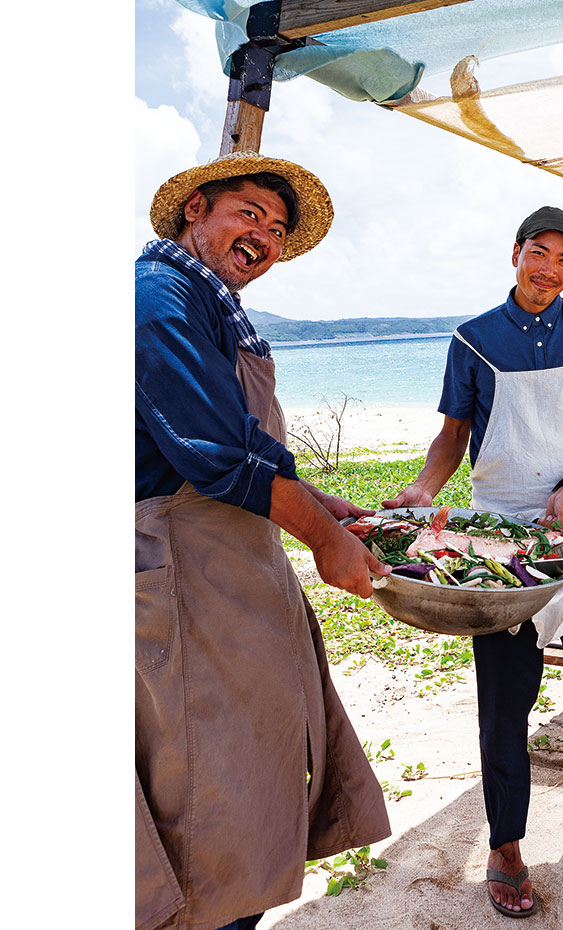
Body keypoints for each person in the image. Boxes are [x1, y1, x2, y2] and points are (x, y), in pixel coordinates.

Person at [383, 206, 563, 918]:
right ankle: (506, 845)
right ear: (516, 254)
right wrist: (424, 487)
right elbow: (453, 436)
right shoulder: (473, 339)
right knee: (506, 699)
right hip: (502, 537)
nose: (549, 270)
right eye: (539, 254)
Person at [135, 152, 392, 930]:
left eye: (277, 229)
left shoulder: (212, 305)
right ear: (195, 211)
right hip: (184, 576)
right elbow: (218, 457)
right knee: (208, 798)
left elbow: (251, 448)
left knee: (250, 778)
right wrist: (323, 539)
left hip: (231, 577)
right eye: (248, 213)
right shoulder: (159, 295)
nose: (264, 236)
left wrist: (327, 506)